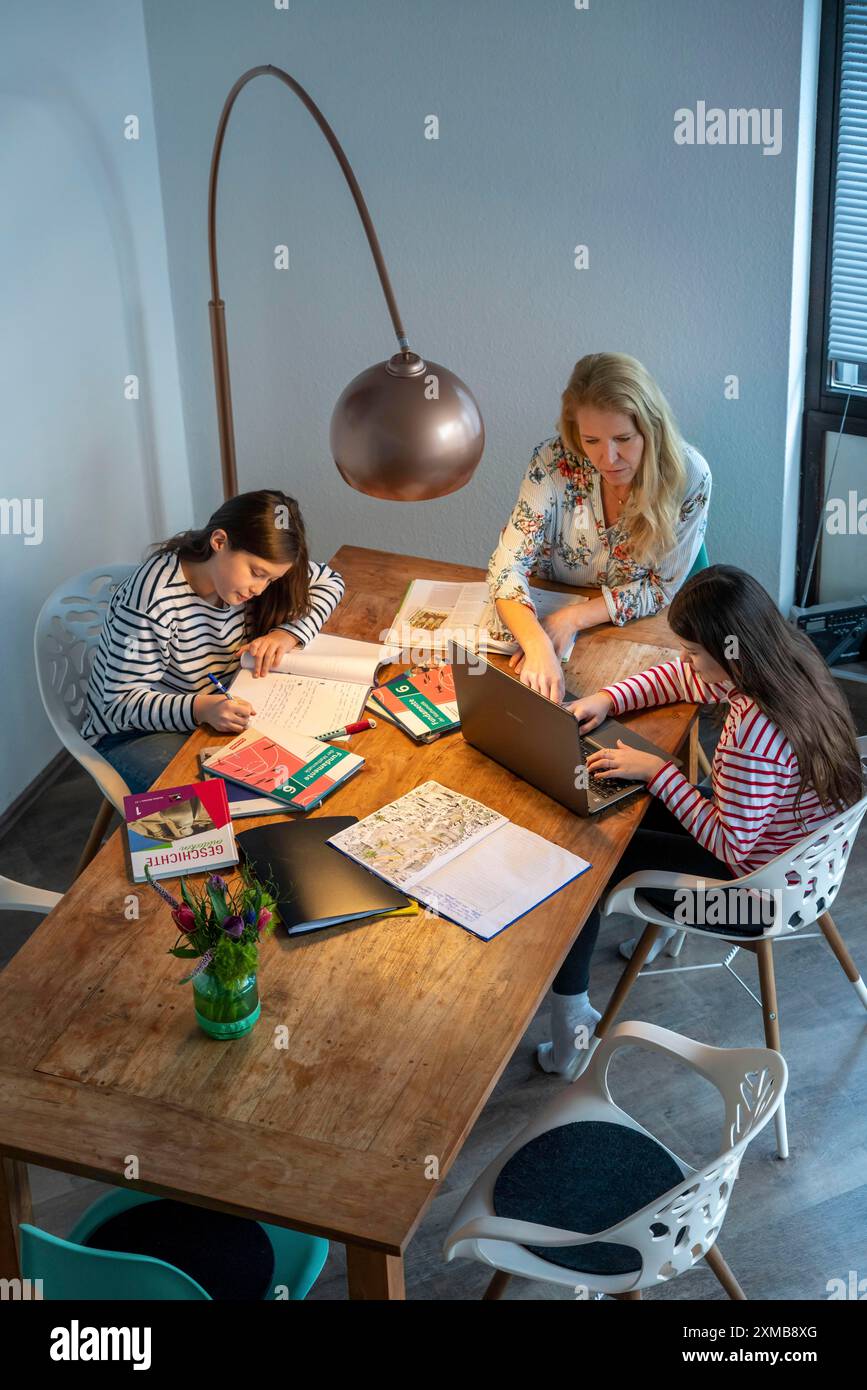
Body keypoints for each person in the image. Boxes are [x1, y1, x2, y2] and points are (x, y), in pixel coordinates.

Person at [537, 564, 862, 1077]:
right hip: (800, 860)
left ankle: (572, 1024)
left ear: (727, 649)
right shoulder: (783, 660)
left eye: (693, 650)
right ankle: (661, 933)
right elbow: (682, 677)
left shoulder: (752, 735)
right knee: (631, 802)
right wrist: (609, 698)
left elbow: (730, 845)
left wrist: (661, 773)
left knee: (589, 854)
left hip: (750, 894)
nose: (686, 661)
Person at [80, 489, 344, 794]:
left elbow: (331, 581)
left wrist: (287, 635)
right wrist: (200, 709)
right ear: (219, 542)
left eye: (271, 580)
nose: (260, 589)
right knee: (225, 803)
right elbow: (117, 705)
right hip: (133, 734)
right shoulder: (152, 603)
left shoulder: (242, 577)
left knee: (300, 778)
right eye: (257, 573)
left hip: (219, 709)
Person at [488, 353, 711, 701]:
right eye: (591, 441)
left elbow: (660, 589)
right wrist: (536, 644)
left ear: (651, 429)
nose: (607, 458)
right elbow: (507, 566)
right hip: (548, 617)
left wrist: (572, 619)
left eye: (623, 438)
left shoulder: (689, 476)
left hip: (638, 635)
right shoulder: (552, 462)